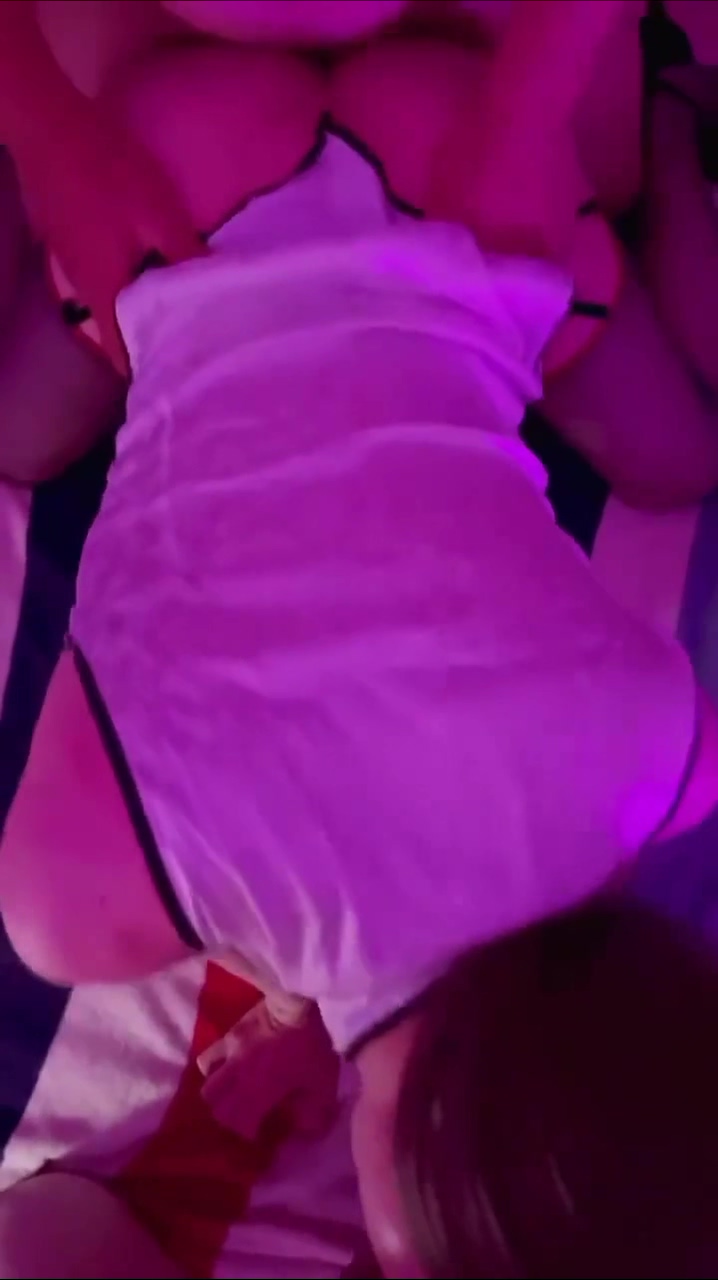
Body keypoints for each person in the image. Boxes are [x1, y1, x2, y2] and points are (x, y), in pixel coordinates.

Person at [3, 1, 718, 1276]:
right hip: (180, 181)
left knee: (681, 451)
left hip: (459, 173)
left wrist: (519, 114)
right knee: (15, 435)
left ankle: (668, 126)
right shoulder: (72, 906)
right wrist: (53, 139)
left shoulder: (661, 767)